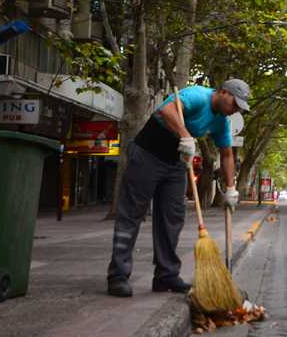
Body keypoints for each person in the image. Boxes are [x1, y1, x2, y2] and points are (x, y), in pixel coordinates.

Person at [106, 79, 250, 297]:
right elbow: (167, 109)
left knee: (173, 217)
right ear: (222, 92)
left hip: (175, 164)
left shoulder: (221, 121)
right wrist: (185, 135)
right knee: (132, 214)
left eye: (239, 107)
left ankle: (166, 276)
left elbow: (227, 153)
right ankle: (118, 276)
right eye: (234, 104)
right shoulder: (198, 96)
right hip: (147, 153)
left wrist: (231, 189)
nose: (235, 110)